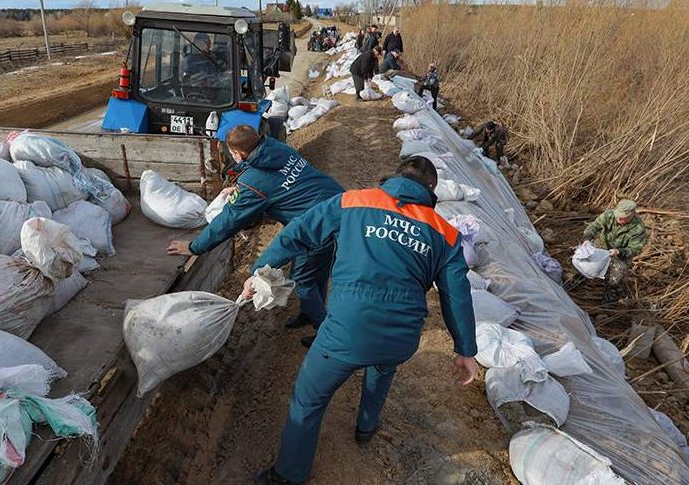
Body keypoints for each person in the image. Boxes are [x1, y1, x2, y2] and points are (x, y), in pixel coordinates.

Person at [247, 156, 478, 485]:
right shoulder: (446, 234)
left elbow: (297, 233)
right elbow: (456, 295)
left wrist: (260, 272)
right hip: (401, 339)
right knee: (383, 367)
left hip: (347, 332)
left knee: (308, 400)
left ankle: (288, 474)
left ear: (396, 177)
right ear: (431, 191)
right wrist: (465, 351)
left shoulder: (353, 201)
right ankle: (366, 428)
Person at [167, 125, 344, 347]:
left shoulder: (254, 181)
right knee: (314, 271)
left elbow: (229, 220)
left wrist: (195, 247)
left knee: (303, 280)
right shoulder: (278, 149)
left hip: (317, 227)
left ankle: (326, 333)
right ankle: (310, 313)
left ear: (239, 154)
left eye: (231, 153)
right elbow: (276, 183)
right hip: (337, 206)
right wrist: (241, 189)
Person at [582, 199, 646, 303]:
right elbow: (594, 226)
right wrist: (586, 239)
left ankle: (609, 301)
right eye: (618, 216)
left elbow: (635, 249)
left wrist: (619, 252)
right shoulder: (609, 215)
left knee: (616, 277)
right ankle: (575, 283)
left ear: (632, 215)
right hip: (602, 246)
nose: (619, 219)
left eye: (624, 218)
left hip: (620, 255)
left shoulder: (638, 228)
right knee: (586, 262)